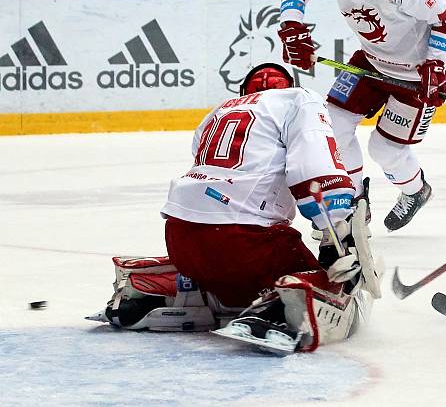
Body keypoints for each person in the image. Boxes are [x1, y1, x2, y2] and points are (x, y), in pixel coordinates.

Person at [88, 63, 382, 356]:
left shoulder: (220, 110)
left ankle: (151, 295)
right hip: (246, 244)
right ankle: (276, 313)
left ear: (244, 92)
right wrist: (337, 235)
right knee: (332, 285)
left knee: (224, 268)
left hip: (181, 239)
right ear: (290, 85)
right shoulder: (299, 99)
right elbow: (316, 169)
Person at [279, 0, 446, 231]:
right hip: (370, 61)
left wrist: (435, 64)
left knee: (385, 148)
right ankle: (354, 201)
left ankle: (416, 190)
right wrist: (291, 24)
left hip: (415, 75)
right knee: (333, 127)